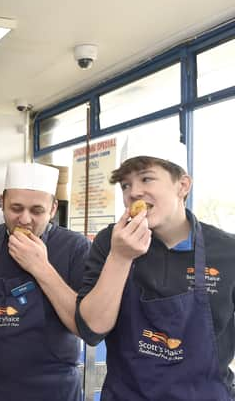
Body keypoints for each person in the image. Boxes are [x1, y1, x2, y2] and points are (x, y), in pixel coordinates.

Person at [76, 135, 235, 400]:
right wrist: (120, 257)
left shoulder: (228, 251)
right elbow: (91, 330)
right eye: (126, 185)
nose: (133, 192)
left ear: (182, 185)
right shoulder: (110, 242)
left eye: (146, 178)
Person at [0, 162, 91, 401]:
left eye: (37, 211)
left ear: (53, 209)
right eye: (16, 208)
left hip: (53, 389)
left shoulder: (75, 248)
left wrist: (40, 267)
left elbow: (84, 326)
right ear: (1, 201)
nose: (24, 219)